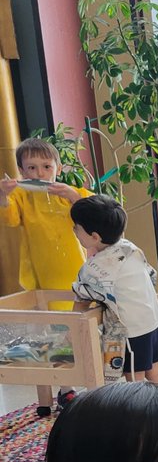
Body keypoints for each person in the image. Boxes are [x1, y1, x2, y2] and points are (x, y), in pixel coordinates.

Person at [0, 138, 93, 412]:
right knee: (50, 332)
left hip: (75, 271)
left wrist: (74, 197)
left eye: (46, 166)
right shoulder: (21, 196)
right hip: (41, 275)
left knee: (73, 331)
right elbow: (10, 219)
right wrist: (4, 195)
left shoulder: (70, 193)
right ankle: (58, 388)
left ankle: (72, 385)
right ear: (21, 171)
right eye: (31, 168)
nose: (39, 174)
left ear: (58, 167)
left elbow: (91, 212)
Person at [69, 194, 158, 383]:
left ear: (94, 236)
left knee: (134, 378)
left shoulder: (94, 268)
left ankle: (137, 412)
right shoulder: (129, 248)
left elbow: (81, 299)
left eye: (77, 228)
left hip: (133, 330)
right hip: (154, 320)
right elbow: (150, 275)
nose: (74, 230)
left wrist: (71, 330)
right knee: (153, 372)